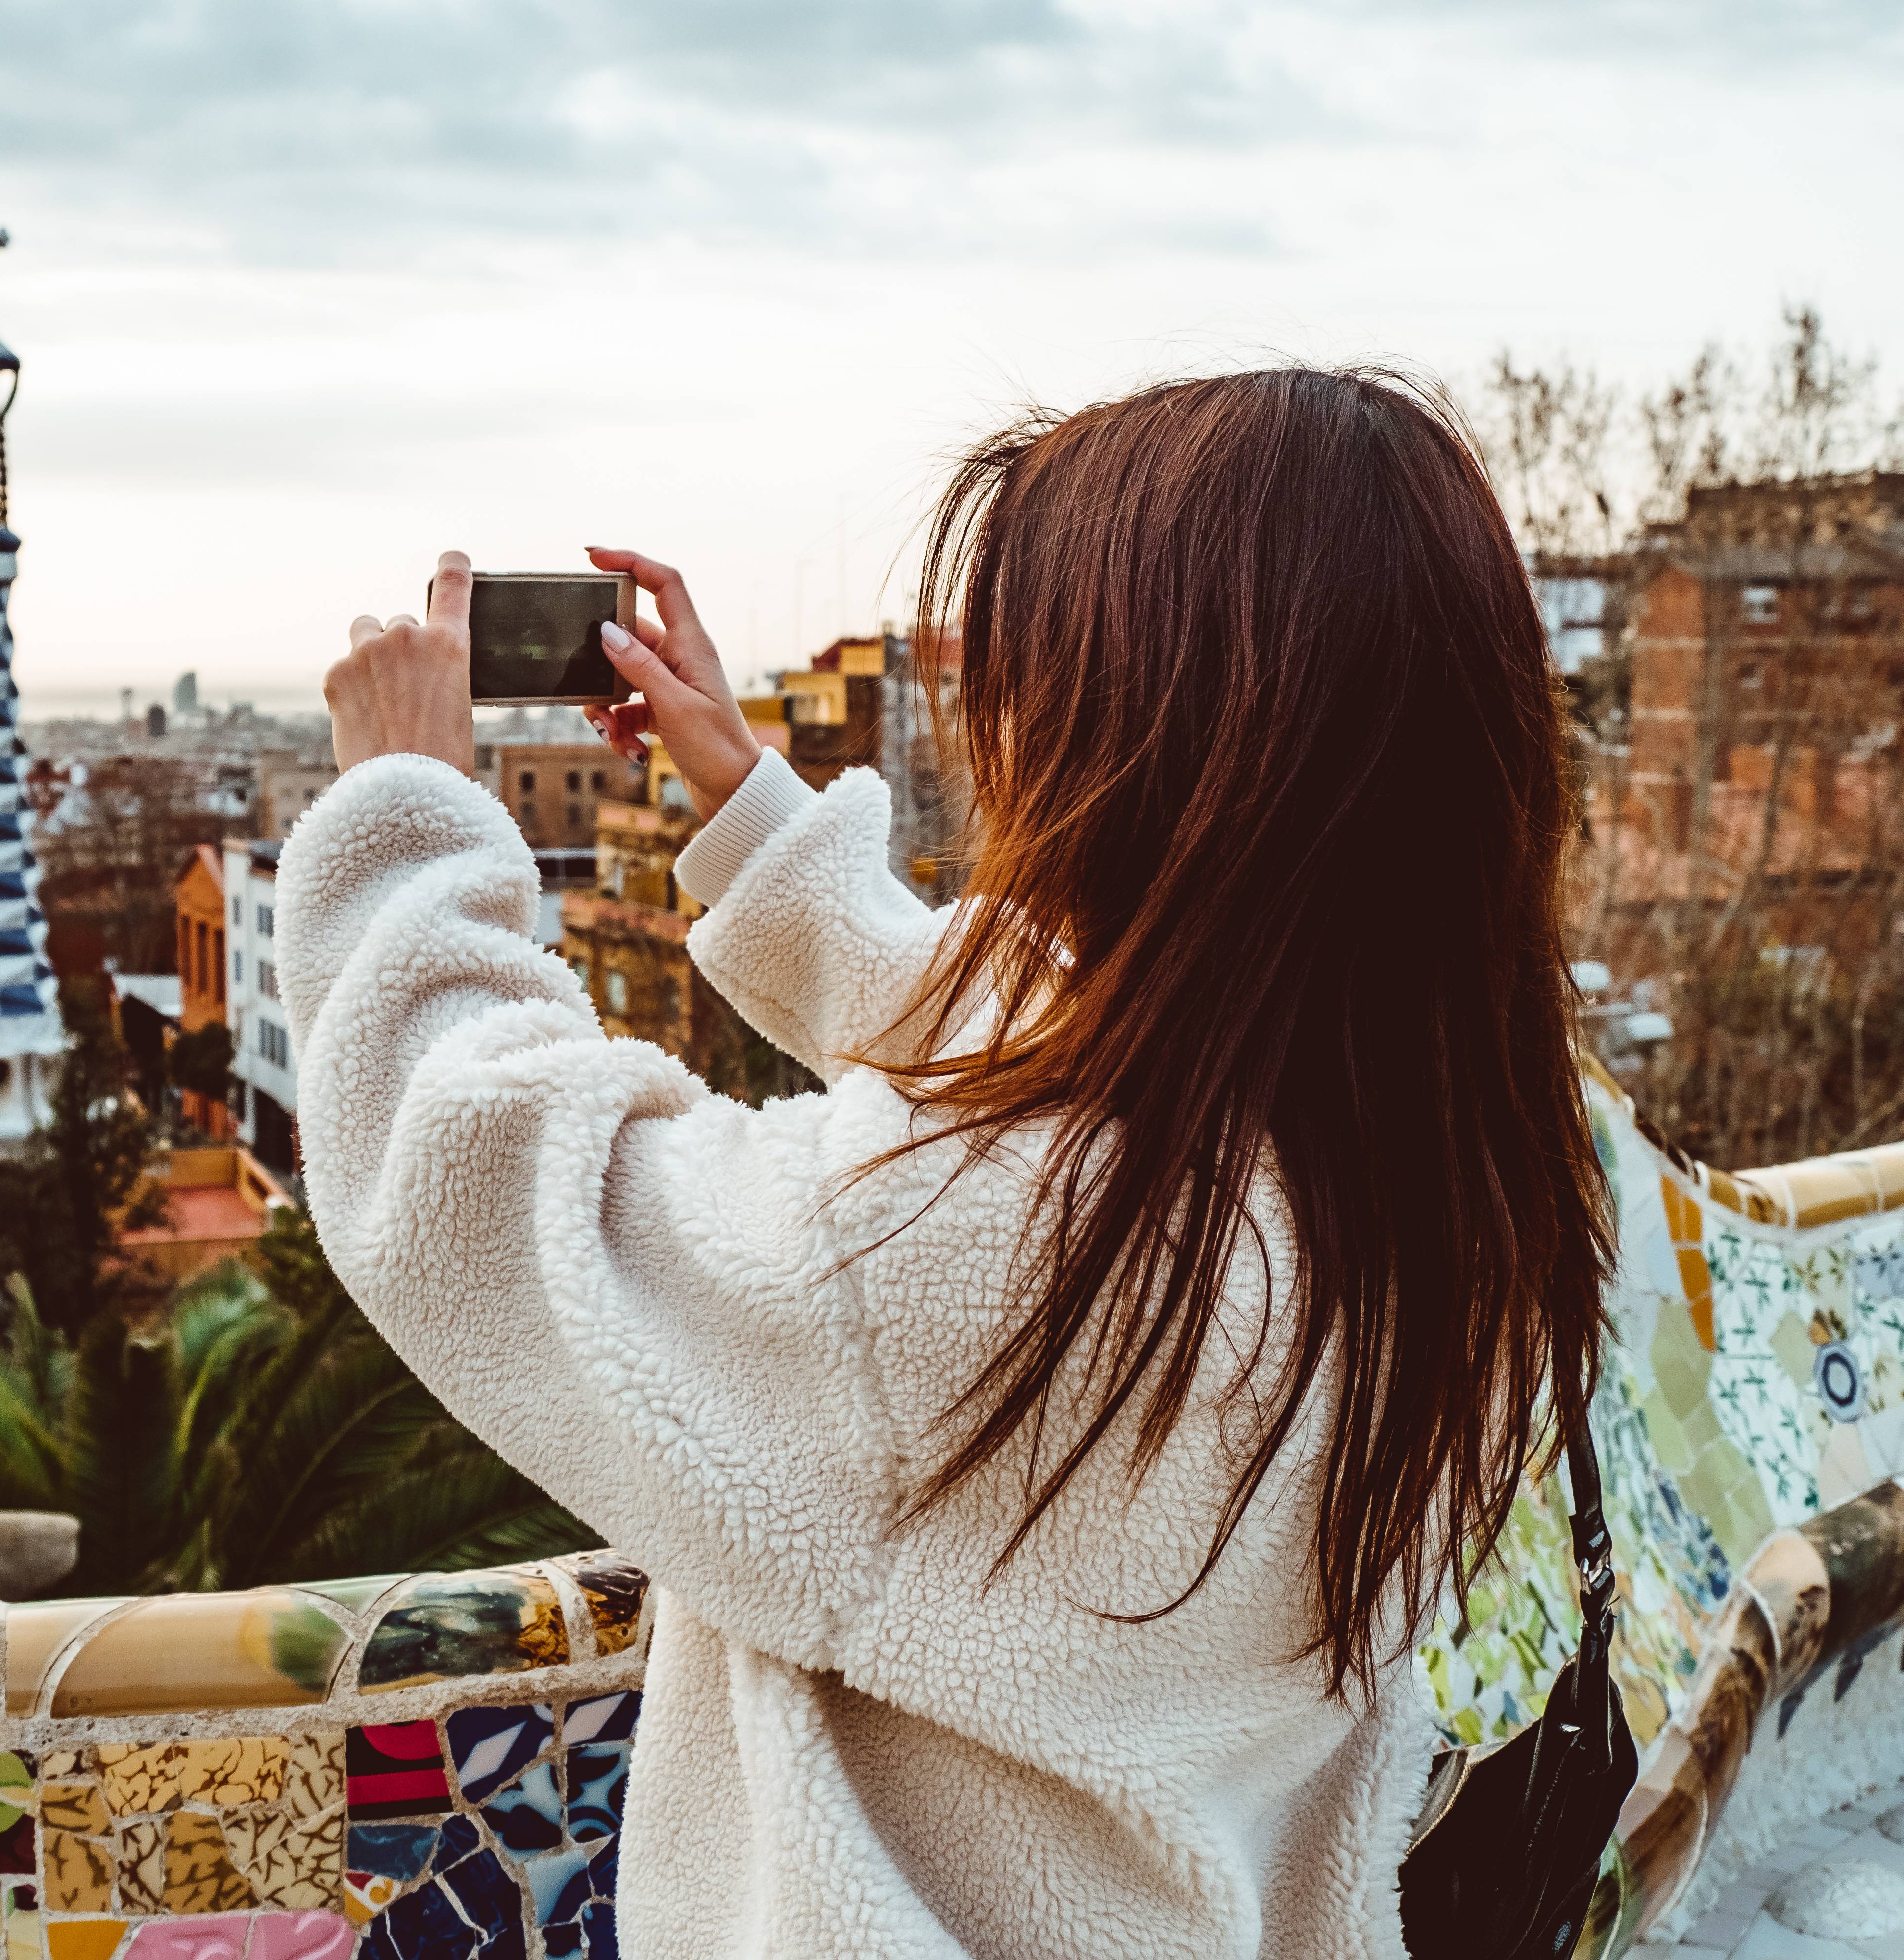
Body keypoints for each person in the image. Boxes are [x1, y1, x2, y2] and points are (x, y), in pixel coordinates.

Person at [280, 368, 1612, 1959]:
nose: (1001, 729)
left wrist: (401, 814)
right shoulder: (1442, 1158)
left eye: (1032, 675)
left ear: (1159, 735)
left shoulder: (1013, 1250)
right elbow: (1066, 1079)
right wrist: (751, 806)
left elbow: (488, 1192)